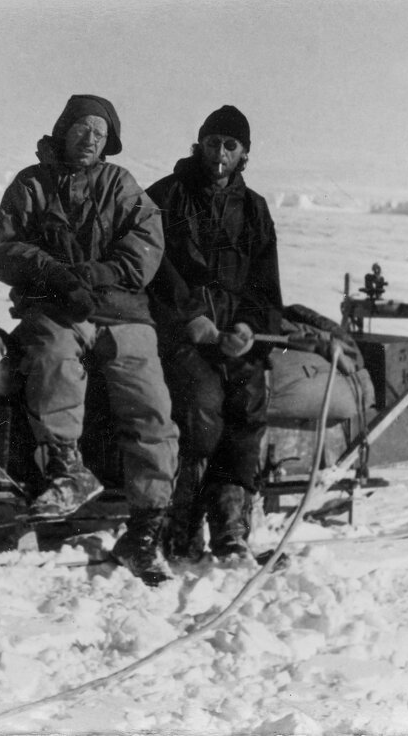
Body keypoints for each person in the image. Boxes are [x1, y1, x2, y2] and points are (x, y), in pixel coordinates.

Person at [0, 94, 179, 584]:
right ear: (62, 130)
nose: (89, 138)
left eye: (99, 131)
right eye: (81, 128)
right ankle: (66, 470)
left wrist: (95, 274)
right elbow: (5, 248)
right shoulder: (30, 185)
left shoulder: (122, 185)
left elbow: (145, 245)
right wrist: (53, 276)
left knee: (151, 407)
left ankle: (145, 531)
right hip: (56, 309)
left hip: (122, 313)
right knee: (51, 357)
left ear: (108, 141)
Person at [147, 105, 283, 561]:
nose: (219, 153)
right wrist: (189, 319)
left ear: (244, 153)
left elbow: (266, 286)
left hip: (234, 338)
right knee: (200, 409)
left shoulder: (256, 210)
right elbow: (154, 270)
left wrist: (248, 327)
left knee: (247, 405)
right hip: (180, 334)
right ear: (198, 145)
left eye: (230, 145)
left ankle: (230, 524)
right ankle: (180, 523)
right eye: (212, 143)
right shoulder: (164, 197)